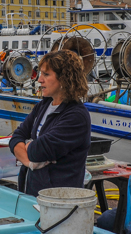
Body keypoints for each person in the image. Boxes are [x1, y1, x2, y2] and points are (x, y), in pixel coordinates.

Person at [8, 50, 91, 196]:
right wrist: (30, 164)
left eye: (46, 75)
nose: (39, 80)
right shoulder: (44, 105)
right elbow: (16, 137)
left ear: (64, 79)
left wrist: (29, 146)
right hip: (33, 195)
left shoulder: (76, 116)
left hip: (58, 200)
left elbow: (38, 150)